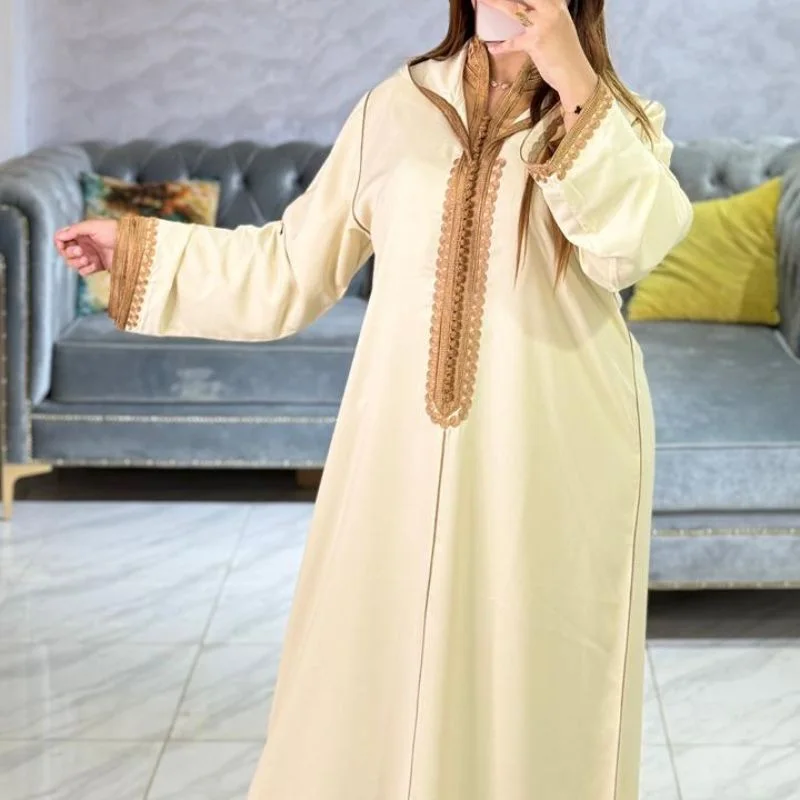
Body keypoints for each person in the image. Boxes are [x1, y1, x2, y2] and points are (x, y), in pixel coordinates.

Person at [57, 0, 692, 797]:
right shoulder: (399, 106)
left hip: (553, 445)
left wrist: (572, 79)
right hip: (399, 446)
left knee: (529, 678)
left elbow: (628, 250)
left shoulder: (616, 117)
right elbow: (290, 267)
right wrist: (144, 247)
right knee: (369, 669)